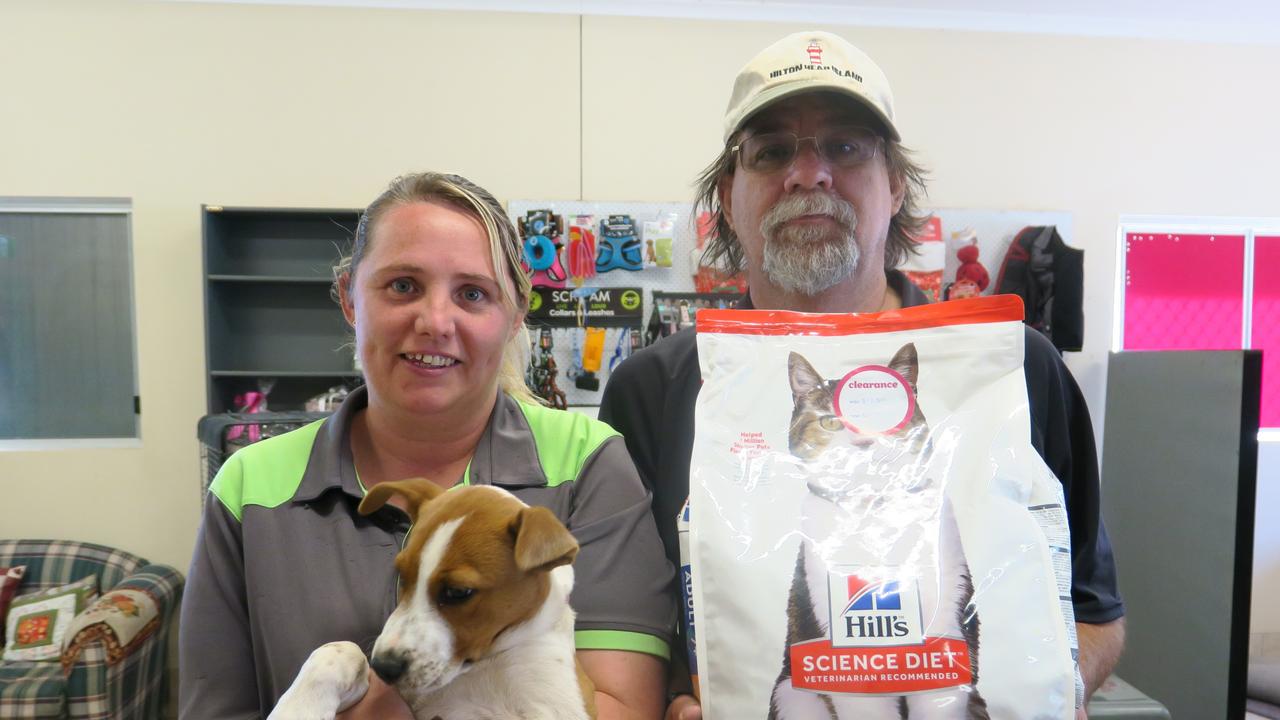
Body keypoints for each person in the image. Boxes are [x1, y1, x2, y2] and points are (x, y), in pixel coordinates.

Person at [598, 31, 1126, 720]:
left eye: (846, 147)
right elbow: (624, 634)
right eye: (773, 151)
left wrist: (1052, 691)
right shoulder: (655, 390)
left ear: (897, 183)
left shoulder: (1014, 369)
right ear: (729, 195)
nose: (809, 173)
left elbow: (1094, 612)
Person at [181, 172, 675, 720]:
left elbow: (622, 707)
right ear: (349, 298)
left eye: (472, 294)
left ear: (515, 315)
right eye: (402, 286)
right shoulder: (250, 484)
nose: (435, 322)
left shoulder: (588, 462)